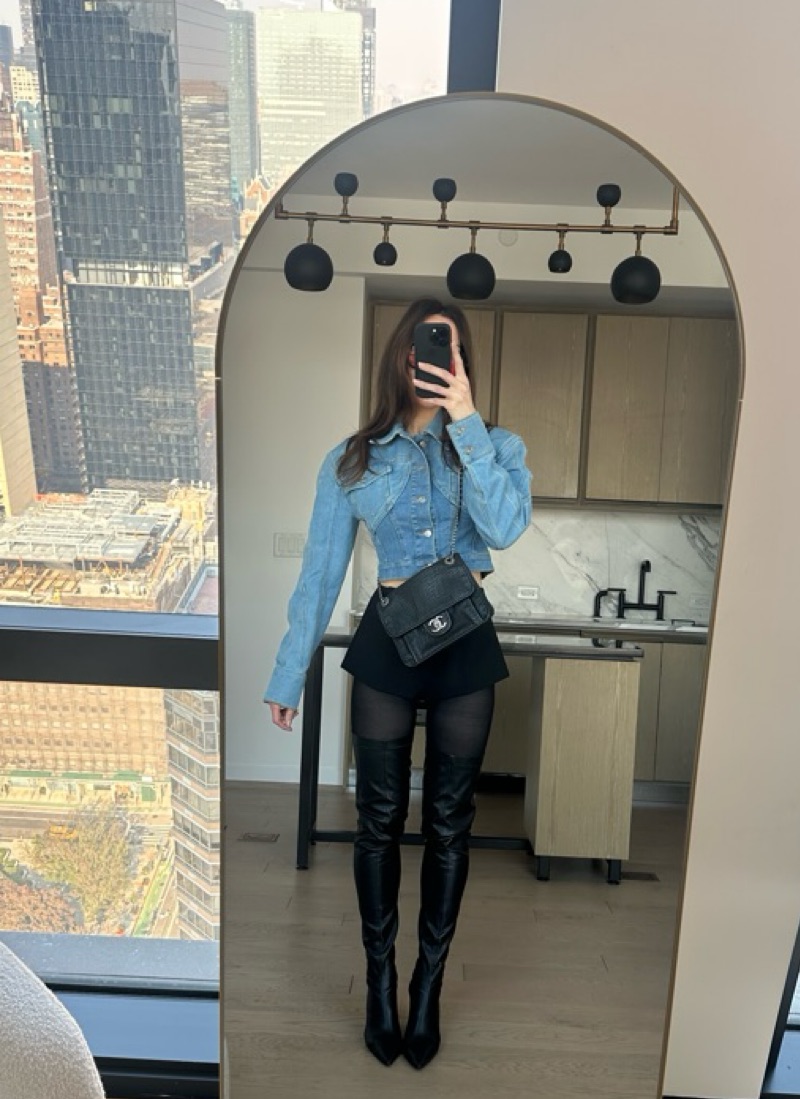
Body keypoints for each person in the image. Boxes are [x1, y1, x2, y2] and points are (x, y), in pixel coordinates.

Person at [264, 298, 532, 1069]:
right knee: (377, 821)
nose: (433, 359)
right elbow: (320, 571)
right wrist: (289, 671)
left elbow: (506, 528)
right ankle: (380, 983)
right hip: (386, 643)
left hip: (464, 643)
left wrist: (466, 421)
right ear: (400, 355)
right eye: (423, 346)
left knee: (450, 824)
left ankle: (429, 983)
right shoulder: (353, 458)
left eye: (448, 348)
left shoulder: (495, 445)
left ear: (461, 361)